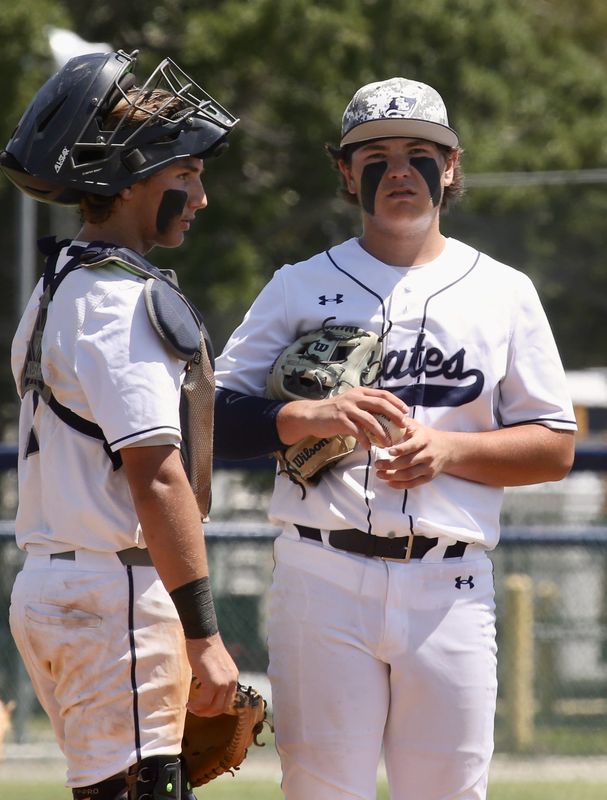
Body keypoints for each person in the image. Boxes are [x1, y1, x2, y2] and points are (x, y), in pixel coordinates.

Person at [213, 76, 577, 799]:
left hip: (449, 582)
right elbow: (211, 416)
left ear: (451, 167)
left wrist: (451, 452)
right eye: (374, 154)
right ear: (346, 173)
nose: (399, 169)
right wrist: (299, 418)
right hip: (320, 576)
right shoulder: (297, 286)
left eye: (420, 152)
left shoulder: (502, 291)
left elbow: (554, 445)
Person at [2, 49, 239, 800]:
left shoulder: (59, 281)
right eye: (184, 176)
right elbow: (156, 473)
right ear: (131, 182)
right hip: (113, 597)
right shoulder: (118, 300)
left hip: (63, 588)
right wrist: (204, 637)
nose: (200, 197)